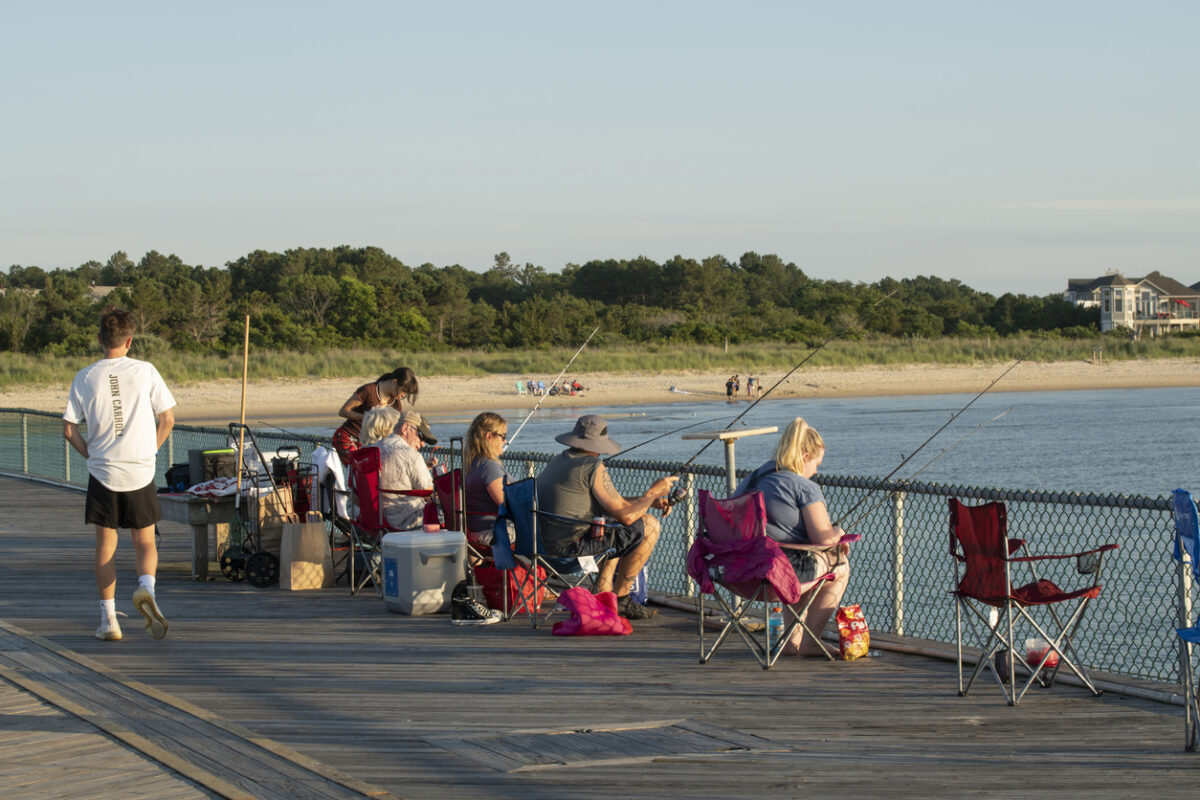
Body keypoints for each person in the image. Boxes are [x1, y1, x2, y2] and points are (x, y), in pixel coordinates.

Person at [63, 308, 176, 642]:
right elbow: (167, 419)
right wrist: (150, 450)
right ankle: (146, 589)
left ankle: (109, 619)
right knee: (144, 539)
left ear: (100, 339)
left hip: (103, 471)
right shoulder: (145, 371)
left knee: (105, 544)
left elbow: (69, 430)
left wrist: (91, 454)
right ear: (130, 340)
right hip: (140, 469)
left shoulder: (84, 377)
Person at [536, 415, 677, 620]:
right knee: (651, 525)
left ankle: (604, 590)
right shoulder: (592, 466)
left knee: (613, 526)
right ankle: (622, 598)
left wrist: (645, 501)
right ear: (599, 444)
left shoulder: (558, 461)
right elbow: (627, 516)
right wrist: (653, 493)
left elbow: (612, 503)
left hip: (541, 550)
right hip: (570, 552)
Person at [734, 417, 849, 657]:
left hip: (737, 571)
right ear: (805, 456)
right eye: (817, 463)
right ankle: (810, 641)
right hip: (775, 576)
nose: (817, 470)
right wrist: (838, 532)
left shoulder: (753, 479)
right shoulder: (803, 487)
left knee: (801, 558)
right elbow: (825, 539)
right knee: (839, 565)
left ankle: (790, 641)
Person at [360, 407, 433, 530]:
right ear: (405, 428)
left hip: (373, 521)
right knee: (451, 511)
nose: (422, 443)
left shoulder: (368, 452)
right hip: (406, 522)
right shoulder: (411, 455)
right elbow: (428, 492)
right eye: (420, 436)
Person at [332, 368, 419, 465]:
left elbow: (395, 429)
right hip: (347, 437)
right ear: (394, 382)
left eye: (406, 394)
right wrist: (370, 417)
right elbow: (344, 411)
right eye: (403, 391)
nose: (403, 395)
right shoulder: (369, 390)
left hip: (369, 443)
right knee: (357, 469)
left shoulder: (396, 404)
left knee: (372, 472)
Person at [462, 412, 511, 549]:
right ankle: (545, 570)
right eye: (503, 436)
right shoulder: (489, 467)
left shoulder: (472, 464)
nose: (505, 441)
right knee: (548, 534)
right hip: (492, 534)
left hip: (476, 534)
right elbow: (509, 506)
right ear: (489, 436)